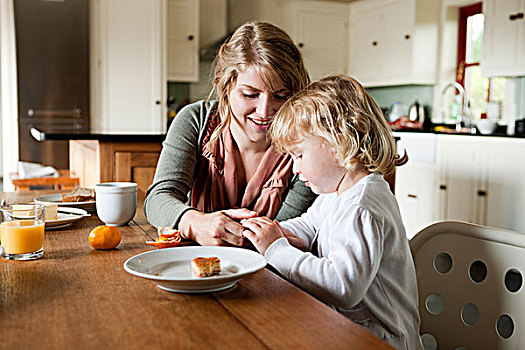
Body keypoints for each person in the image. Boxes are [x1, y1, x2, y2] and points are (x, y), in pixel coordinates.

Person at [241, 75, 423, 350]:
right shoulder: (337, 193)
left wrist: (276, 249)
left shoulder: (361, 207)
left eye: (299, 155)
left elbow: (342, 286)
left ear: (339, 145)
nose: (294, 168)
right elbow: (310, 225)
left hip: (382, 341)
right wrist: (278, 232)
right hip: (351, 331)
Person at [144, 21, 317, 246]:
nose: (265, 112)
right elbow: (158, 199)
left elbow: (287, 233)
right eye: (249, 95)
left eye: (281, 96)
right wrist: (194, 223)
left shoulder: (307, 145)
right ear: (225, 87)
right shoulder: (195, 121)